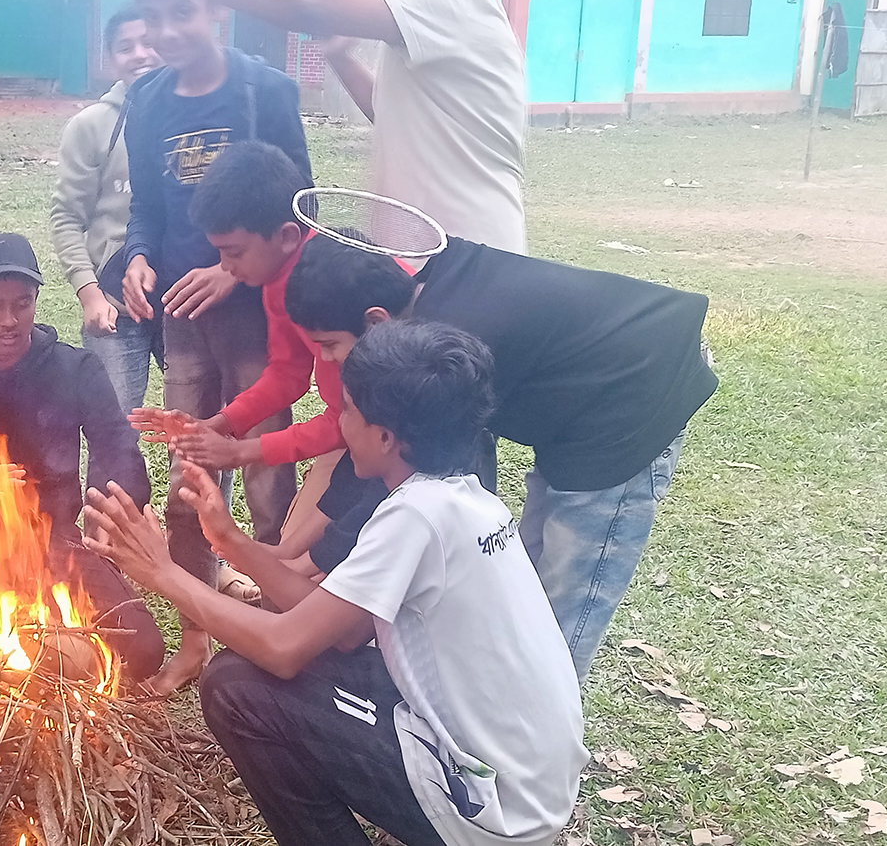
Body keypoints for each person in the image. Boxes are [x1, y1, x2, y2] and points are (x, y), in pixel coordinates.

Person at [83, 321, 587, 846]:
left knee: (235, 689)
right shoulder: (465, 498)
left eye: (347, 410)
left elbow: (283, 648)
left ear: (387, 437)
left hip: (498, 809)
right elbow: (340, 630)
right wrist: (231, 541)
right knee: (260, 669)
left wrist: (161, 573)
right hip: (532, 780)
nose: (338, 423)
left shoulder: (417, 516)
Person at [284, 236, 719, 680]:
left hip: (631, 409)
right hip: (574, 419)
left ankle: (544, 738)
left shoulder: (447, 346)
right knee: (524, 584)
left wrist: (317, 559)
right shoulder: (431, 295)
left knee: (566, 597)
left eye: (329, 343)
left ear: (375, 320)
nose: (327, 358)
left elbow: (413, 475)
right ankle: (504, 706)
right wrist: (303, 556)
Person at [62, 0, 529, 255]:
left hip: (469, 256)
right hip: (425, 253)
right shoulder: (428, 14)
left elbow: (311, 1)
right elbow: (389, 118)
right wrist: (342, 59)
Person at [117, 0, 310, 694]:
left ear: (217, 10)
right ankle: (196, 635)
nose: (168, 30)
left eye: (183, 11)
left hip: (260, 315)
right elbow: (143, 204)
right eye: (155, 16)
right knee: (189, 475)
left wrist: (235, 272)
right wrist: (137, 256)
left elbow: (299, 205)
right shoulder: (146, 99)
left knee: (266, 483)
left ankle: (280, 631)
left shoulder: (266, 90)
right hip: (183, 316)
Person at [0, 233, 166, 681]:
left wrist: (113, 516)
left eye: (22, 303)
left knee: (142, 652)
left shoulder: (75, 368)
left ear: (36, 301)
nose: (9, 320)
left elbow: (116, 447)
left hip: (55, 537)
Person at [137, 143, 349, 549]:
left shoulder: (335, 290)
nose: (226, 266)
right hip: (366, 436)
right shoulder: (277, 281)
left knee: (300, 555)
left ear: (287, 236)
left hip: (408, 440)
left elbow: (345, 422)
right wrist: (217, 425)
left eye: (233, 252)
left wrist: (241, 452)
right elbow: (288, 376)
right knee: (291, 552)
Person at [49, 6, 164, 411]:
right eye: (125, 47)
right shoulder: (91, 126)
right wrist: (90, 293)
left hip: (190, 298)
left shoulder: (196, 120)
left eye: (149, 42)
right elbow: (66, 217)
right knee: (114, 430)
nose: (140, 54)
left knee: (203, 429)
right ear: (110, 59)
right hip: (116, 304)